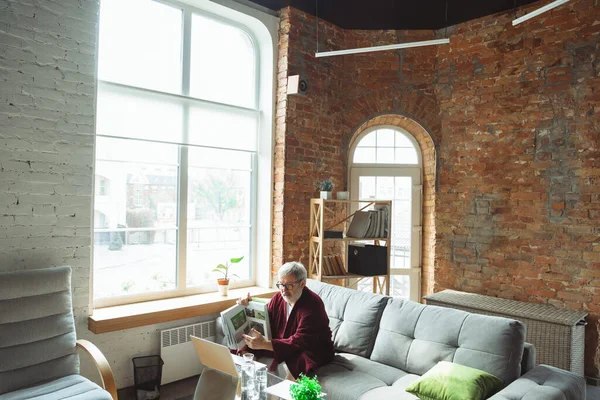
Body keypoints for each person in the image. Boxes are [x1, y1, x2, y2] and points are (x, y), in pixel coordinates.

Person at [238, 261, 334, 379]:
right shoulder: (279, 298)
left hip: (312, 347)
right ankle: (246, 388)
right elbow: (265, 318)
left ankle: (282, 395)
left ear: (302, 283)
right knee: (246, 348)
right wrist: (248, 305)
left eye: (289, 285)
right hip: (284, 340)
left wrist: (264, 344)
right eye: (280, 285)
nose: (283, 290)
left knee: (300, 361)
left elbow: (300, 341)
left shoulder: (313, 305)